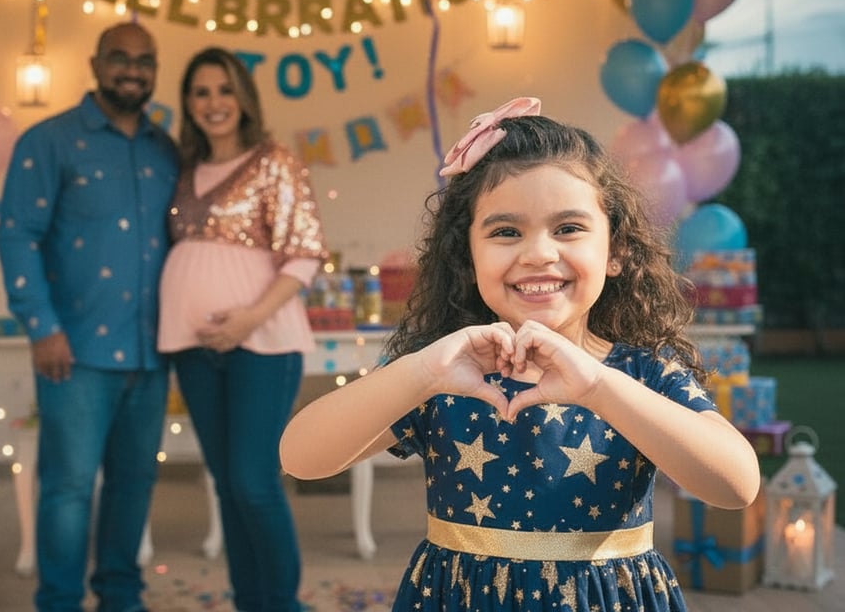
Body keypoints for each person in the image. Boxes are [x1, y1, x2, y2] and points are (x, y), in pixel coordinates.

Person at [279, 97, 760, 611]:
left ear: (616, 250)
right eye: (506, 231)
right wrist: (419, 371)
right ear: (467, 255)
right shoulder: (443, 374)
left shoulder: (644, 375)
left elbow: (736, 485)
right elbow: (300, 458)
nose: (538, 253)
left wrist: (598, 386)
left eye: (568, 228)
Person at [0, 22, 179, 612]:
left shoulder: (165, 149)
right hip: (74, 353)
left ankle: (121, 599)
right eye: (120, 59)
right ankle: (58, 601)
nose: (133, 69)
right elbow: (18, 235)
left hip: (151, 354)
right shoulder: (49, 141)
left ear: (154, 69)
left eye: (144, 60)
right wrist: (41, 326)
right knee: (69, 490)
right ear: (97, 65)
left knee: (133, 486)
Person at [158, 47, 327, 612]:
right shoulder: (182, 170)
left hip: (263, 342)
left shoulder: (274, 160)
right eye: (201, 92)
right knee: (227, 485)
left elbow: (303, 254)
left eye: (224, 90)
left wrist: (249, 318)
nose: (214, 103)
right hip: (194, 348)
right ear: (187, 102)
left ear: (243, 98)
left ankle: (282, 603)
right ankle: (247, 601)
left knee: (253, 482)